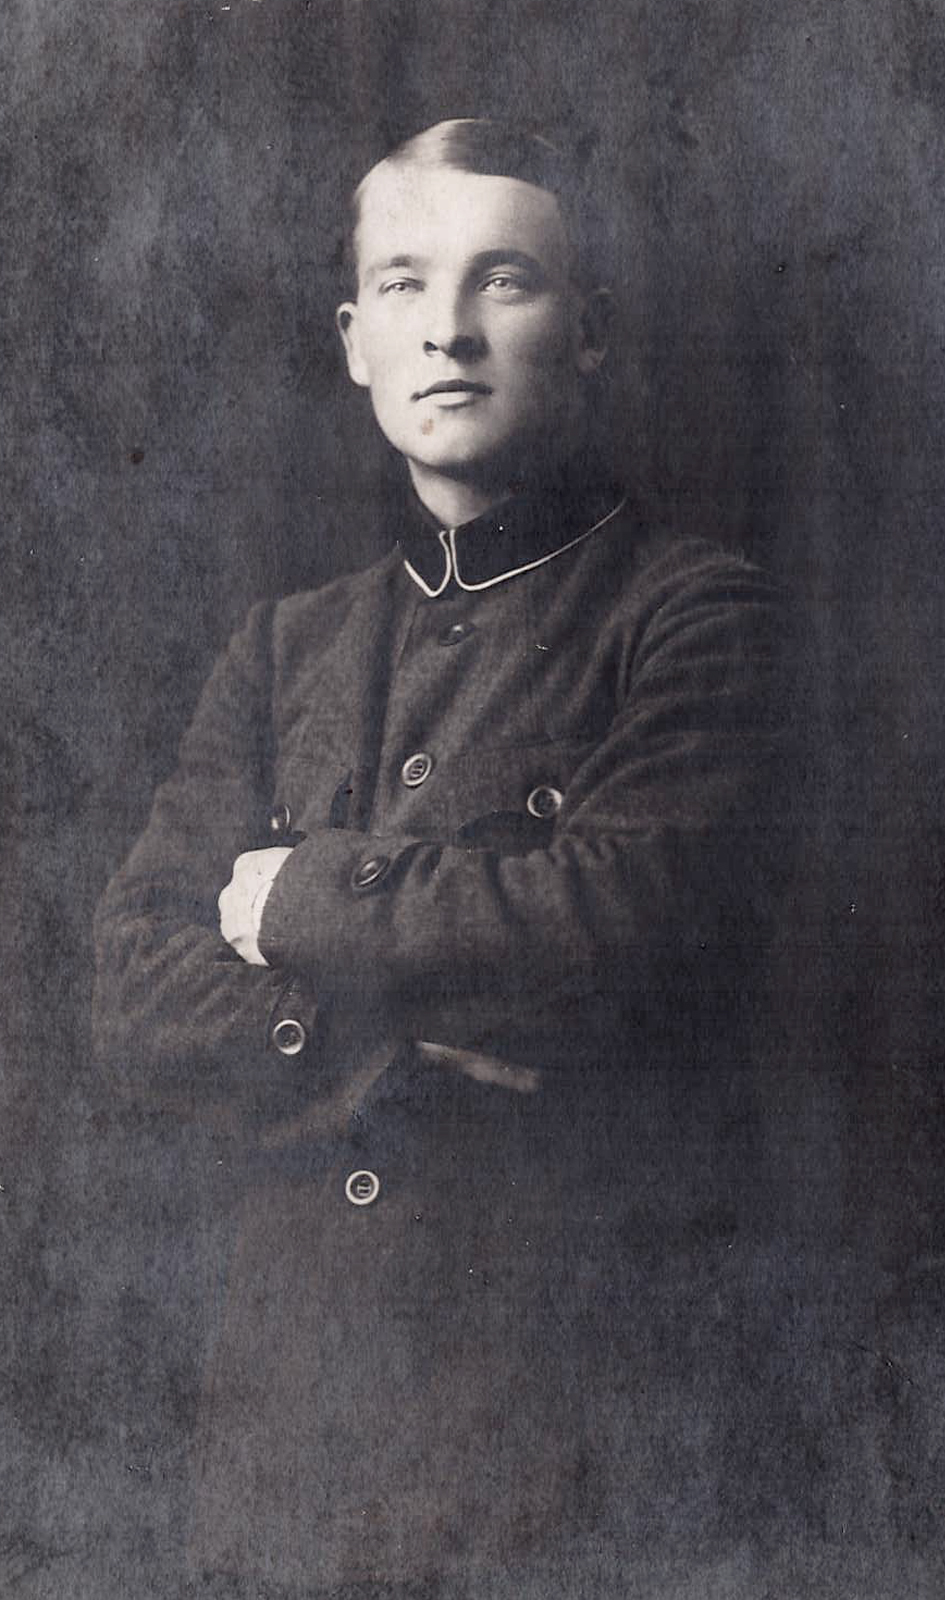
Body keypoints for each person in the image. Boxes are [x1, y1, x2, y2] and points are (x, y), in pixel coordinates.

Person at [93, 119, 792, 1599]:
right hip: (283, 1418)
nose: (451, 330)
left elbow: (614, 927)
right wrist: (373, 1049)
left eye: (505, 281)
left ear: (587, 330)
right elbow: (133, 987)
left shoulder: (694, 615)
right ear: (355, 339)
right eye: (405, 284)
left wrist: (297, 898)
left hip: (563, 1415)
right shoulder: (282, 648)